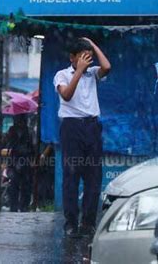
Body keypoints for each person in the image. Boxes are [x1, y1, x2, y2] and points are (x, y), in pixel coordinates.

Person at [54, 37, 111, 237]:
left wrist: (93, 44)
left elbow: (107, 66)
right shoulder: (61, 75)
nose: (88, 60)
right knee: (71, 175)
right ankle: (71, 222)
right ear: (72, 58)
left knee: (93, 178)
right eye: (83, 56)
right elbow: (67, 95)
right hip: (72, 128)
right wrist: (78, 70)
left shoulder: (93, 73)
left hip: (92, 126)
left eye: (89, 57)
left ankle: (88, 223)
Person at [1, 114, 34, 212]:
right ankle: (14, 206)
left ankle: (24, 206)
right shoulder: (12, 131)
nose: (19, 122)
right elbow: (7, 144)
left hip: (25, 160)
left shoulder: (29, 132)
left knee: (26, 185)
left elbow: (31, 147)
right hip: (14, 160)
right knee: (13, 185)